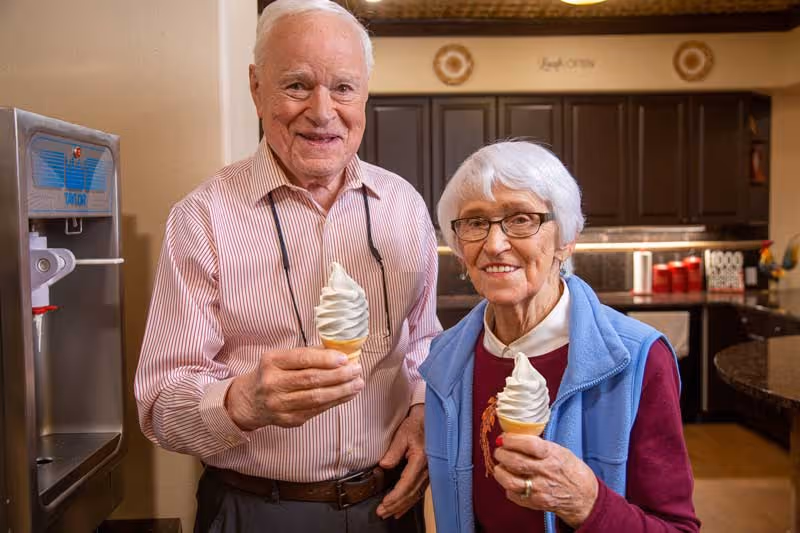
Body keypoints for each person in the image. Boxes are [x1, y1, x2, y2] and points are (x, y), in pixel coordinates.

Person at [134, 1, 440, 531]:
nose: (323, 112)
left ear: (364, 92)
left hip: (387, 508)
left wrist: (420, 413)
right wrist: (240, 403)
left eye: (343, 87)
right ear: (256, 88)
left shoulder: (406, 206)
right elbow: (160, 404)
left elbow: (421, 347)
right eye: (297, 85)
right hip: (255, 509)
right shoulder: (203, 217)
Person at [421, 141, 701, 533]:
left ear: (566, 240)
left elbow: (677, 528)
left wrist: (589, 503)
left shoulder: (638, 359)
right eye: (475, 222)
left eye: (521, 219)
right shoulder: (445, 361)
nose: (495, 244)